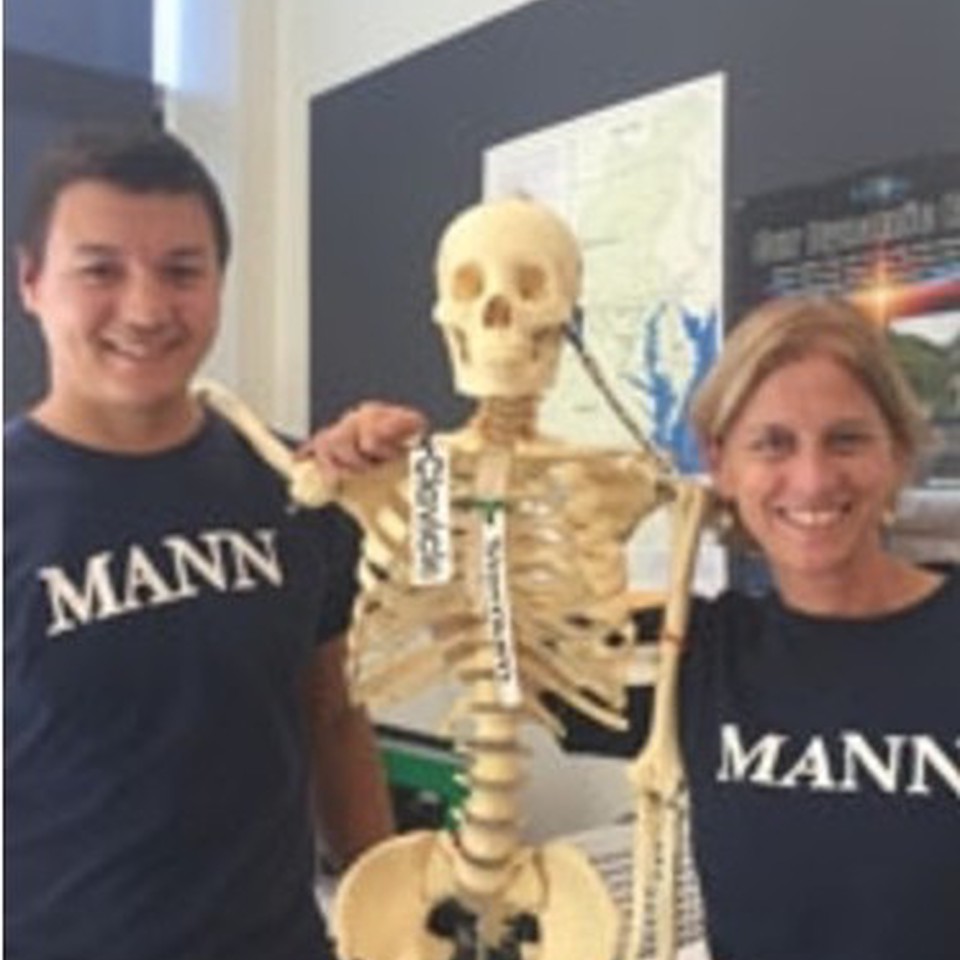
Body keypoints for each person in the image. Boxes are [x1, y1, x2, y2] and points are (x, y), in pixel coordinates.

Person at [311, 295, 960, 960]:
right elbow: (499, 644)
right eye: (772, 443)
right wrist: (393, 488)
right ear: (721, 464)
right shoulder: (696, 650)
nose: (813, 478)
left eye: (846, 439)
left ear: (899, 453)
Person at [3, 125, 418, 960]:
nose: (147, 309)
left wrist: (392, 919)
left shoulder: (296, 486)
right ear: (31, 282)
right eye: (100, 270)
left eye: (182, 271)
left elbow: (334, 719)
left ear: (219, 283)